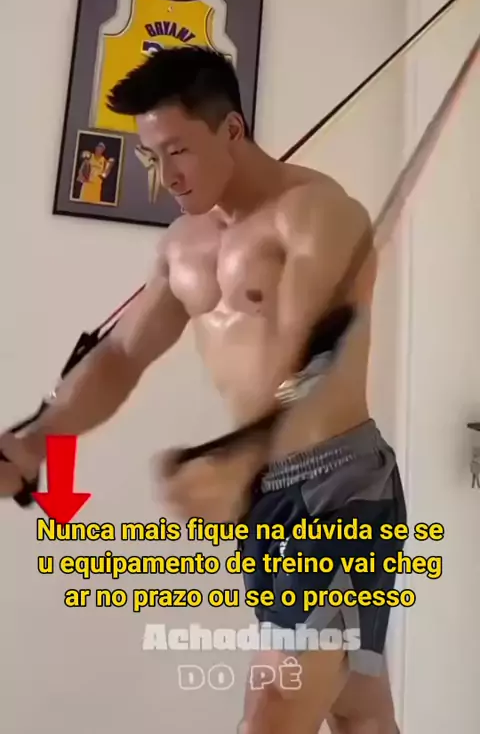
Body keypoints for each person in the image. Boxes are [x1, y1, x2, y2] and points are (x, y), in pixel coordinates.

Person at [0, 46, 405, 733]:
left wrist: (240, 455)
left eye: (178, 151)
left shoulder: (318, 214)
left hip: (341, 487)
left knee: (276, 705)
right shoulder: (183, 247)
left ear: (232, 129)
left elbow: (318, 359)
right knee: (356, 708)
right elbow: (122, 356)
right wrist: (38, 438)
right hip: (265, 500)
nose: (165, 177)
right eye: (152, 157)